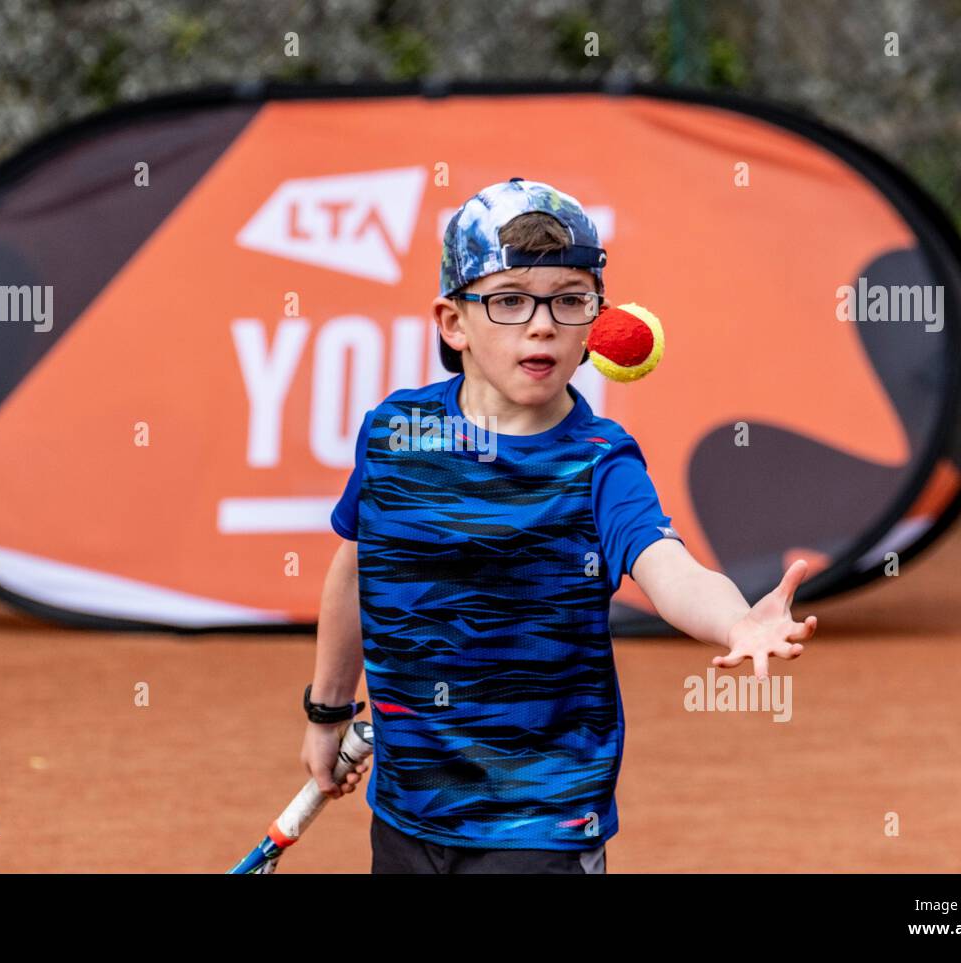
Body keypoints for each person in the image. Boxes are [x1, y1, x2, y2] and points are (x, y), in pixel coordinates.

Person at [300, 177, 816, 873]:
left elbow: (666, 563)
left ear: (596, 326)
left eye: (569, 301)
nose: (541, 323)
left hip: (542, 821)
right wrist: (327, 710)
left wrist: (735, 622)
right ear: (454, 323)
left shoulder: (601, 461)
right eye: (510, 300)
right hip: (406, 813)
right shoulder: (396, 433)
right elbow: (356, 566)